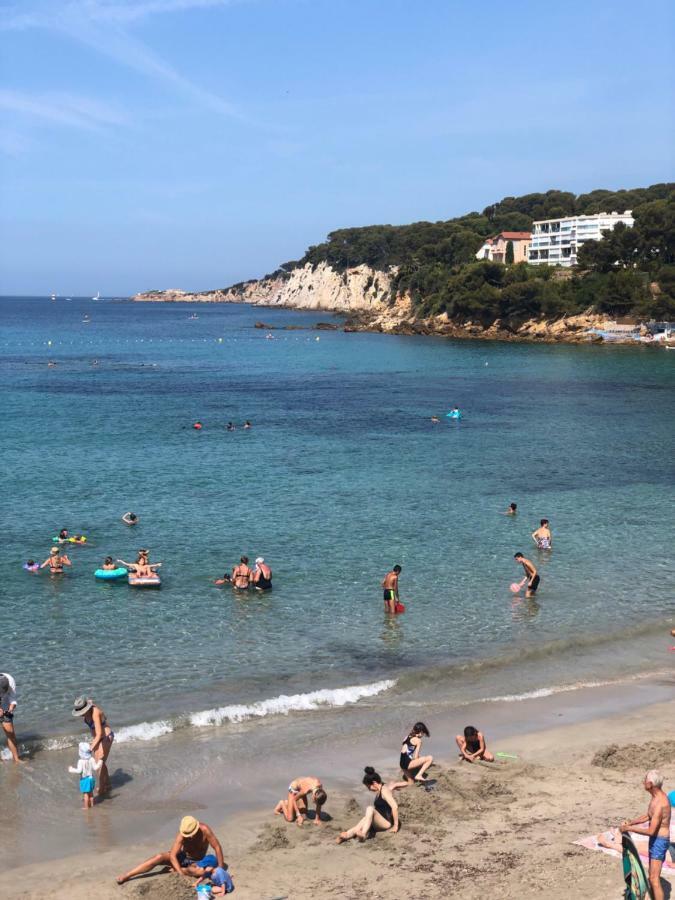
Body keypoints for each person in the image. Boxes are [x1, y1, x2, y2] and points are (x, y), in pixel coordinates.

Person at [116, 816, 225, 884]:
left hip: (198, 862)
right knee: (159, 857)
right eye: (187, 835)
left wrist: (220, 869)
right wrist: (180, 875)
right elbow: (173, 855)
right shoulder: (182, 834)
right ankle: (128, 875)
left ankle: (177, 869)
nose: (189, 837)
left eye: (191, 834)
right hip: (183, 858)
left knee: (199, 870)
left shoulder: (205, 830)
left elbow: (217, 847)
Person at [619, 771, 672, 900]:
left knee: (654, 879)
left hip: (659, 841)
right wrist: (631, 822)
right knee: (652, 875)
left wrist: (629, 828)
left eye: (645, 780)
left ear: (650, 784)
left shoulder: (660, 802)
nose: (643, 782)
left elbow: (651, 831)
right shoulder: (655, 797)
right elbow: (649, 815)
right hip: (655, 839)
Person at [336, 767, 399, 843]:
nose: (369, 790)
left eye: (369, 787)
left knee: (370, 809)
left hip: (386, 823)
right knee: (361, 823)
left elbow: (395, 806)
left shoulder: (384, 791)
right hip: (378, 821)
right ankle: (346, 835)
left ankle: (363, 834)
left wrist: (395, 826)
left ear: (374, 783)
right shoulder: (380, 790)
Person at [72, 697, 114, 798]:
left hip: (106, 737)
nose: (81, 714)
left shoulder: (95, 713)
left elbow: (99, 733)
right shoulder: (88, 711)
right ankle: (107, 784)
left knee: (99, 764)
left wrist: (90, 748)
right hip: (97, 739)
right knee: (100, 762)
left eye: (82, 711)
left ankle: (102, 789)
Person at [68, 741, 102, 809]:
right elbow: (95, 768)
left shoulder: (80, 761)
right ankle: (92, 804)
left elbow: (79, 771)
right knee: (91, 793)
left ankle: (86, 807)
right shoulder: (91, 759)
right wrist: (100, 761)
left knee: (86, 794)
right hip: (91, 779)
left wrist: (71, 769)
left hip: (84, 780)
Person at [0, 673, 21, 763]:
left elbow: (12, 698)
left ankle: (16, 759)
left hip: (5, 701)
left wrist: (11, 708)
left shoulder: (10, 681)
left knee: (11, 733)